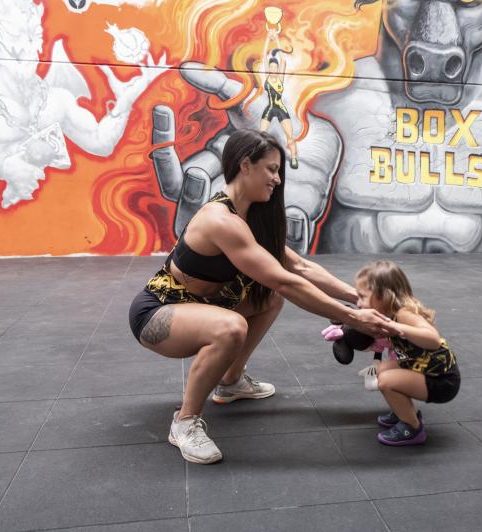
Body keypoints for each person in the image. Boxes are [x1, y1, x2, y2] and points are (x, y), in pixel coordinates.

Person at [128, 129, 399, 464]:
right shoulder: (220, 220)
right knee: (231, 327)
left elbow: (298, 266)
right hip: (157, 315)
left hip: (199, 307)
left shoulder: (247, 219)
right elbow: (286, 281)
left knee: (268, 299)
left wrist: (359, 299)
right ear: (245, 165)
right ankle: (184, 423)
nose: (277, 178)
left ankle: (230, 382)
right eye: (271, 168)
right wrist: (354, 318)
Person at [353, 260, 460, 446]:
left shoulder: (403, 314)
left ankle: (412, 427)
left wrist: (396, 326)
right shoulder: (390, 313)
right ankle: (403, 410)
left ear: (383, 296)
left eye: (362, 297)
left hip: (441, 379)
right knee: (378, 371)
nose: (358, 303)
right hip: (422, 365)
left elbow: (433, 339)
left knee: (385, 382)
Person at [259, 29, 298, 169]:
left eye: (275, 67)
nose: (274, 69)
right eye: (272, 67)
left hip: (280, 109)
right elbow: (263, 56)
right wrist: (267, 39)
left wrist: (276, 39)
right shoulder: (268, 77)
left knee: (290, 136)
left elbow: (282, 59)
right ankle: (259, 158)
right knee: (261, 135)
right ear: (269, 69)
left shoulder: (280, 78)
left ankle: (294, 157)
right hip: (270, 108)